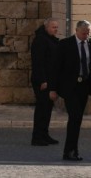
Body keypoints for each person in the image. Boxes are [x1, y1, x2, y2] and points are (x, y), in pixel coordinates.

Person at [49, 20, 91, 161]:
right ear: (77, 31)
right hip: (70, 88)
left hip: (84, 87)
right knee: (74, 118)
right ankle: (70, 151)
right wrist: (53, 89)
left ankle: (71, 151)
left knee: (77, 120)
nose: (86, 35)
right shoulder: (65, 44)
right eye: (84, 33)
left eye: (89, 32)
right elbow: (56, 67)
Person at [30, 17, 59, 146]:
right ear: (46, 27)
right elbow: (38, 62)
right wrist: (42, 80)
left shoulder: (50, 40)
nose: (56, 29)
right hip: (43, 81)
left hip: (50, 80)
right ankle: (37, 136)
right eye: (53, 27)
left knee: (47, 108)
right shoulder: (41, 40)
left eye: (57, 27)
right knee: (42, 108)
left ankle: (44, 134)